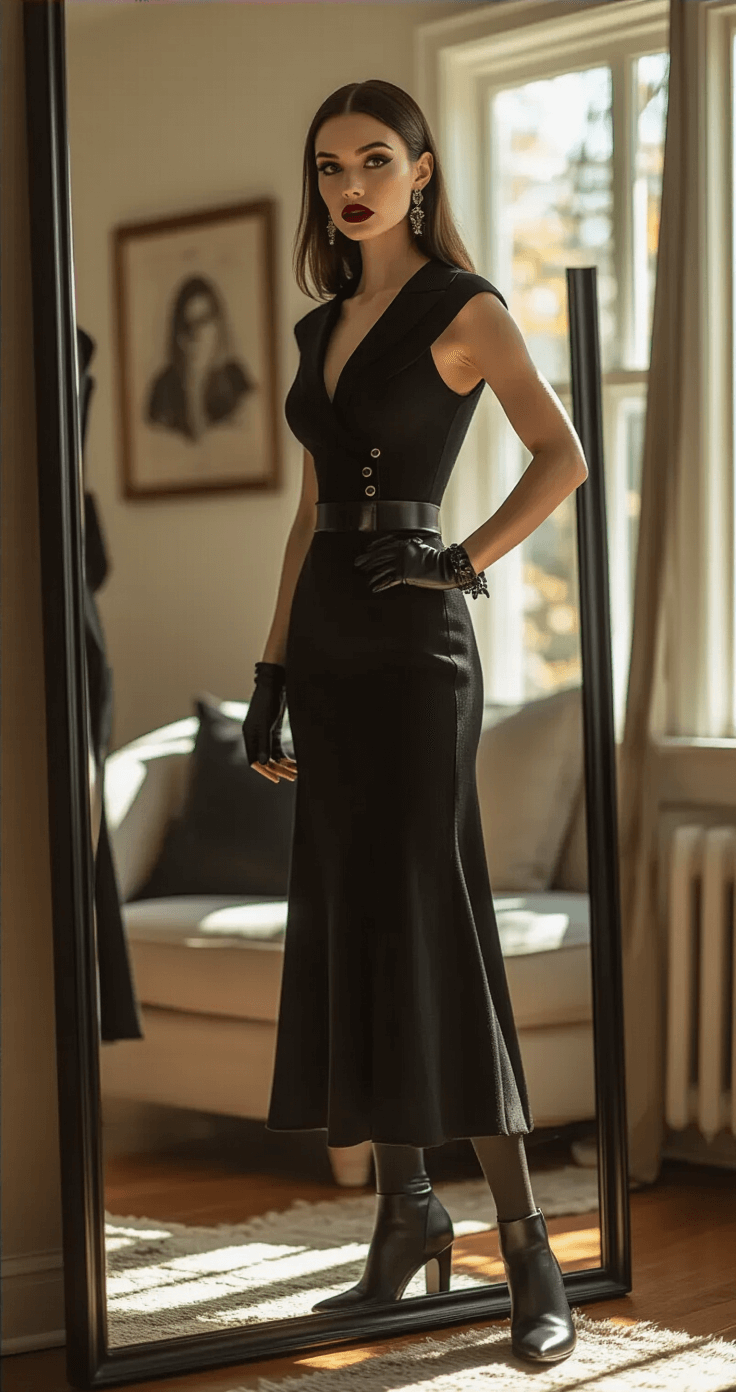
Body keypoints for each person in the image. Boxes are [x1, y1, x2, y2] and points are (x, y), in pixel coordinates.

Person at [242, 79, 588, 1365]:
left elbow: (562, 456)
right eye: (331, 165)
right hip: (330, 644)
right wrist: (270, 670)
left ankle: (527, 1249)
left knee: (433, 922)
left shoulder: (464, 307)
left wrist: (461, 561)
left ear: (423, 172)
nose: (351, 185)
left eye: (375, 160)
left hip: (417, 649)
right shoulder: (316, 326)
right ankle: (405, 1217)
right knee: (354, 918)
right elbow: (306, 517)